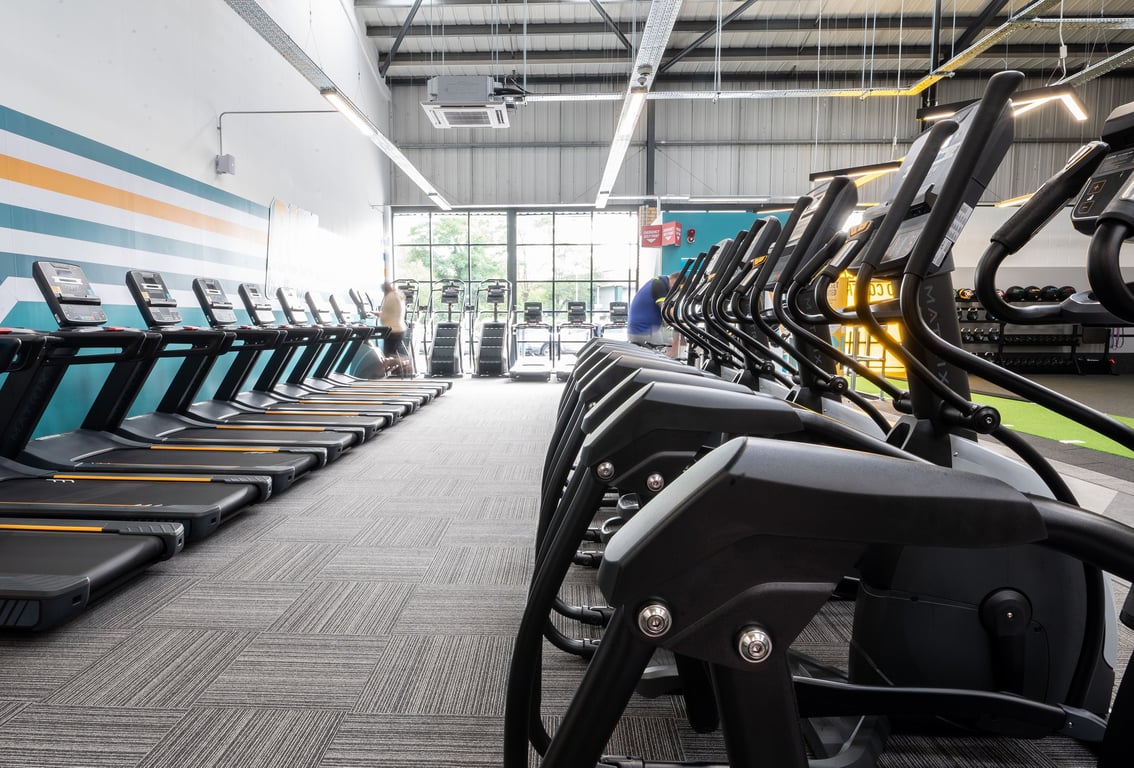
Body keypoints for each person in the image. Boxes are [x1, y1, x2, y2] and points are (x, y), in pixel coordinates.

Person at [627, 271, 682, 356]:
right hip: (643, 331)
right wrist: (681, 324)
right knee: (675, 336)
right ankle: (671, 358)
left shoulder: (659, 281)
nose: (676, 290)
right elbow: (666, 311)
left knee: (671, 337)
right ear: (673, 280)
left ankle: (672, 356)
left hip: (644, 329)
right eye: (677, 287)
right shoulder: (659, 284)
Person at [378, 281, 408, 371]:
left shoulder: (390, 297)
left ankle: (405, 360)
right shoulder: (398, 295)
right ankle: (401, 362)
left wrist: (378, 315)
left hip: (392, 330)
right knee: (391, 354)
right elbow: (392, 313)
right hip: (400, 329)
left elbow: (385, 315)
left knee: (387, 356)